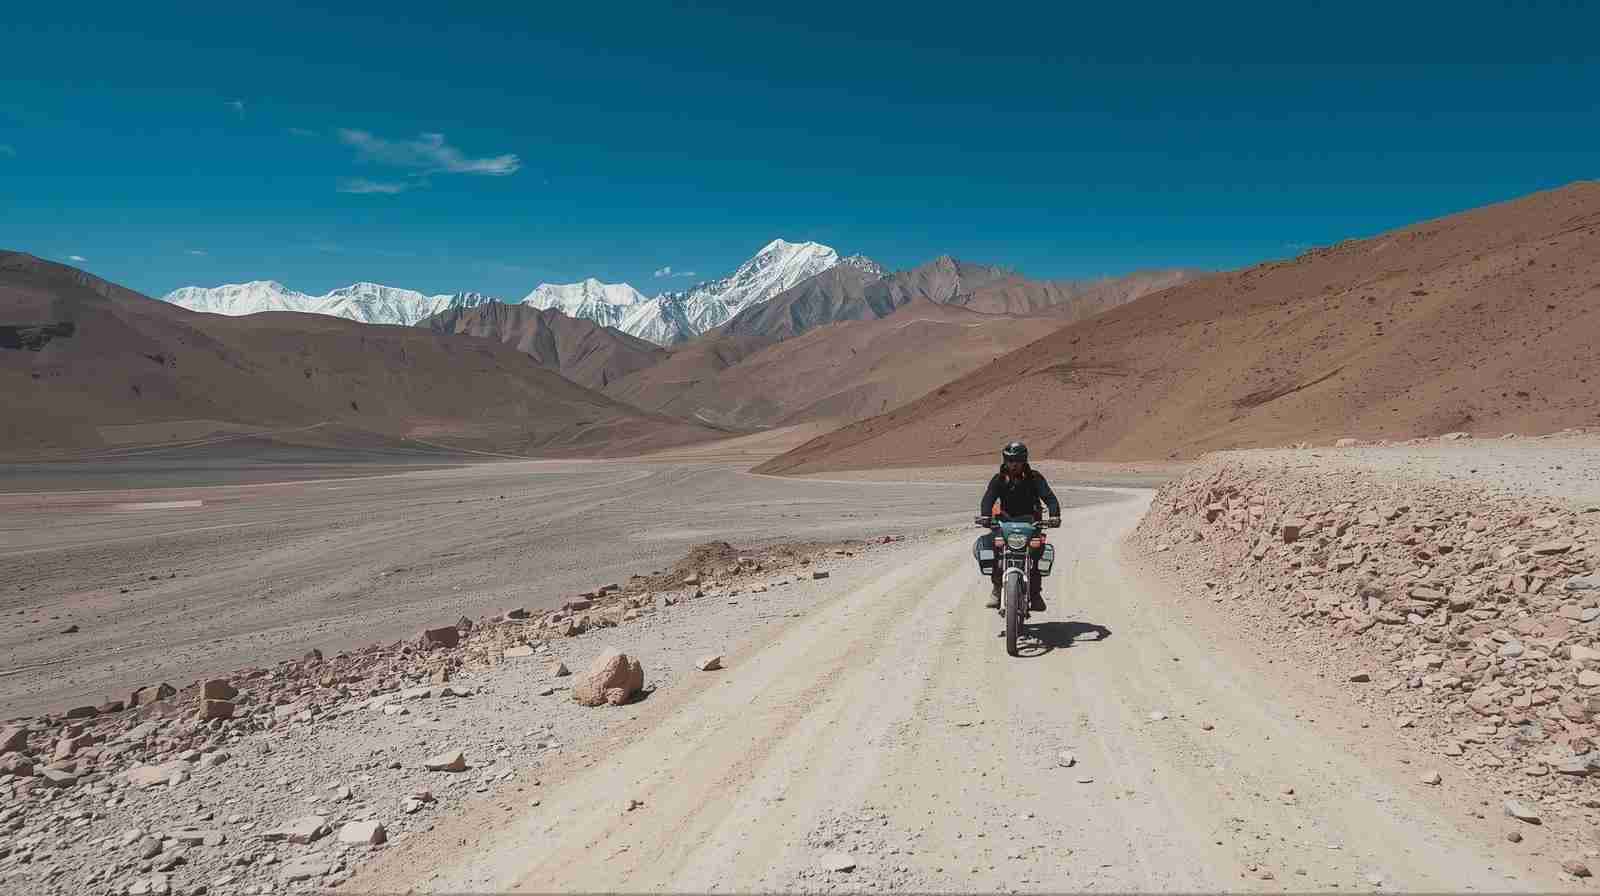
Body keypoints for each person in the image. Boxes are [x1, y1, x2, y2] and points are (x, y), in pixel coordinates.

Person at [976, 441, 1061, 610]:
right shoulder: (999, 479)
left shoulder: (1034, 478)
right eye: (1009, 460)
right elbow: (988, 498)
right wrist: (986, 517)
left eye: (1017, 460)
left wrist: (1054, 516)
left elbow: (1049, 497)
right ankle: (996, 587)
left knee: (1037, 553)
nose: (1013, 464)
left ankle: (1035, 594)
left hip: (1031, 523)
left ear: (1024, 461)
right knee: (989, 546)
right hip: (1005, 522)